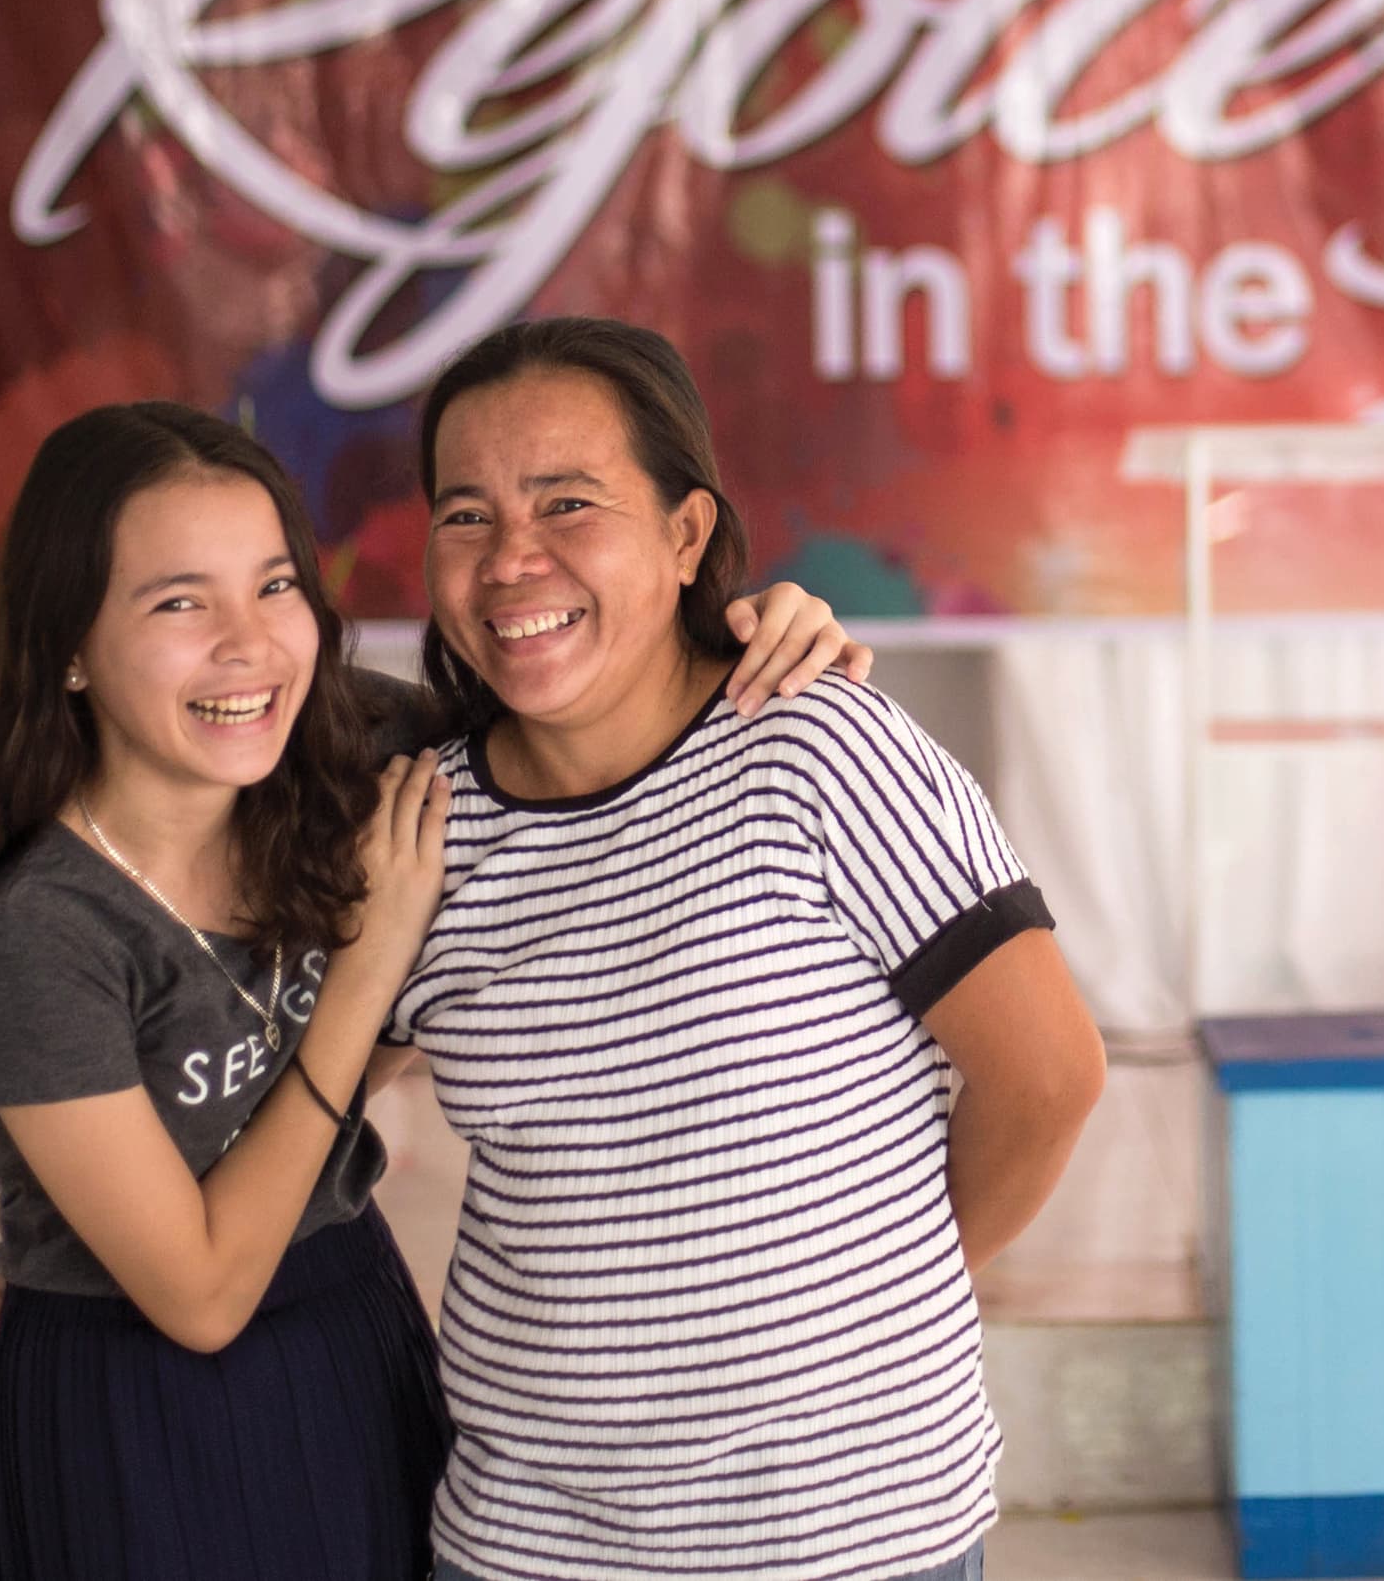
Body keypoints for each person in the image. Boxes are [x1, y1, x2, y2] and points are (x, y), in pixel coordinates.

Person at [0, 400, 867, 1581]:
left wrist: (757, 625)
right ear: (70, 641)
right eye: (179, 600)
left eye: (276, 585)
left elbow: (598, 699)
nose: (249, 645)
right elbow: (197, 1293)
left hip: (351, 1318)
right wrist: (370, 960)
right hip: (134, 1397)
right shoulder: (32, 932)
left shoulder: (358, 751)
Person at [397, 319, 1107, 1581]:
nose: (512, 558)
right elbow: (299, 1093)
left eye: (569, 501)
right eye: (466, 514)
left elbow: (1049, 1076)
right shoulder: (421, 824)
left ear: (683, 534)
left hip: (847, 1534)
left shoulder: (815, 749)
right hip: (526, 1536)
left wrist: (871, 1304)